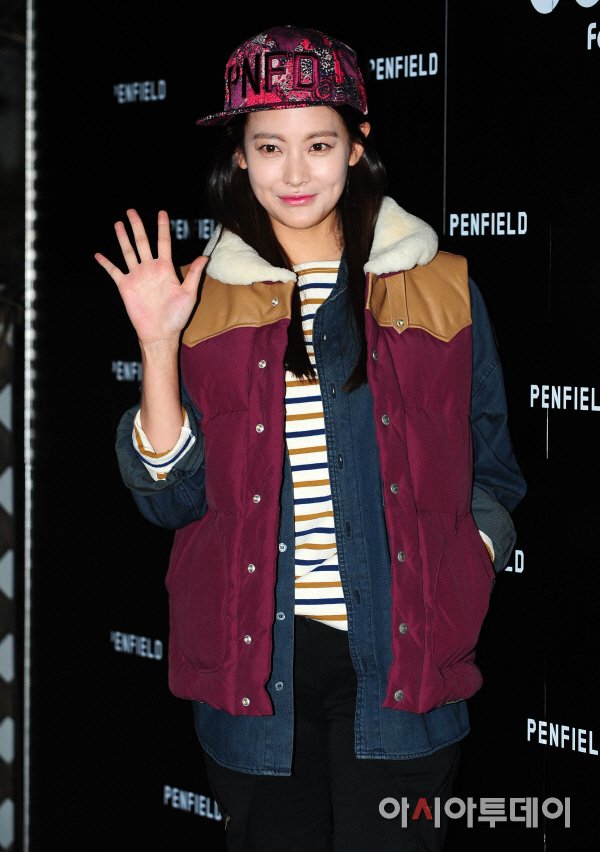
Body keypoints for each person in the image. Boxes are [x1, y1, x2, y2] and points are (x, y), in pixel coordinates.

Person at [94, 24, 526, 852]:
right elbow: (172, 500)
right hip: (254, 671)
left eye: (319, 144)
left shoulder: (440, 285)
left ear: (357, 147)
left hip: (405, 666)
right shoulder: (198, 298)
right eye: (269, 147)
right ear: (240, 157)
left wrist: (467, 561)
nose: (294, 174)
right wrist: (158, 345)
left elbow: (494, 468)